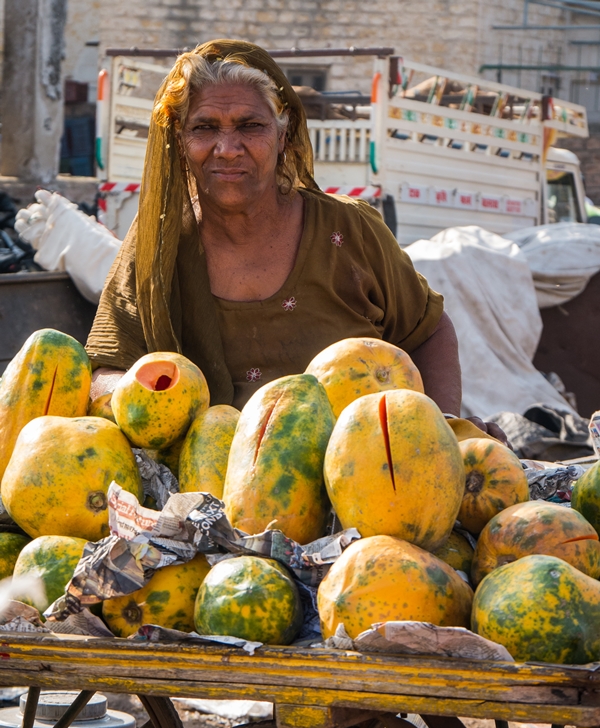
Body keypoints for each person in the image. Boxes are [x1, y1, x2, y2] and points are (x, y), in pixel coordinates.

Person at [86, 39, 505, 441]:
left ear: (283, 135)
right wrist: (143, 398)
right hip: (206, 486)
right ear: (179, 141)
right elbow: (107, 365)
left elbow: (427, 330)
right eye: (204, 128)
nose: (227, 149)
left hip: (367, 475)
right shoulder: (159, 244)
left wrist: (443, 426)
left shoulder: (350, 231)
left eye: (251, 126)